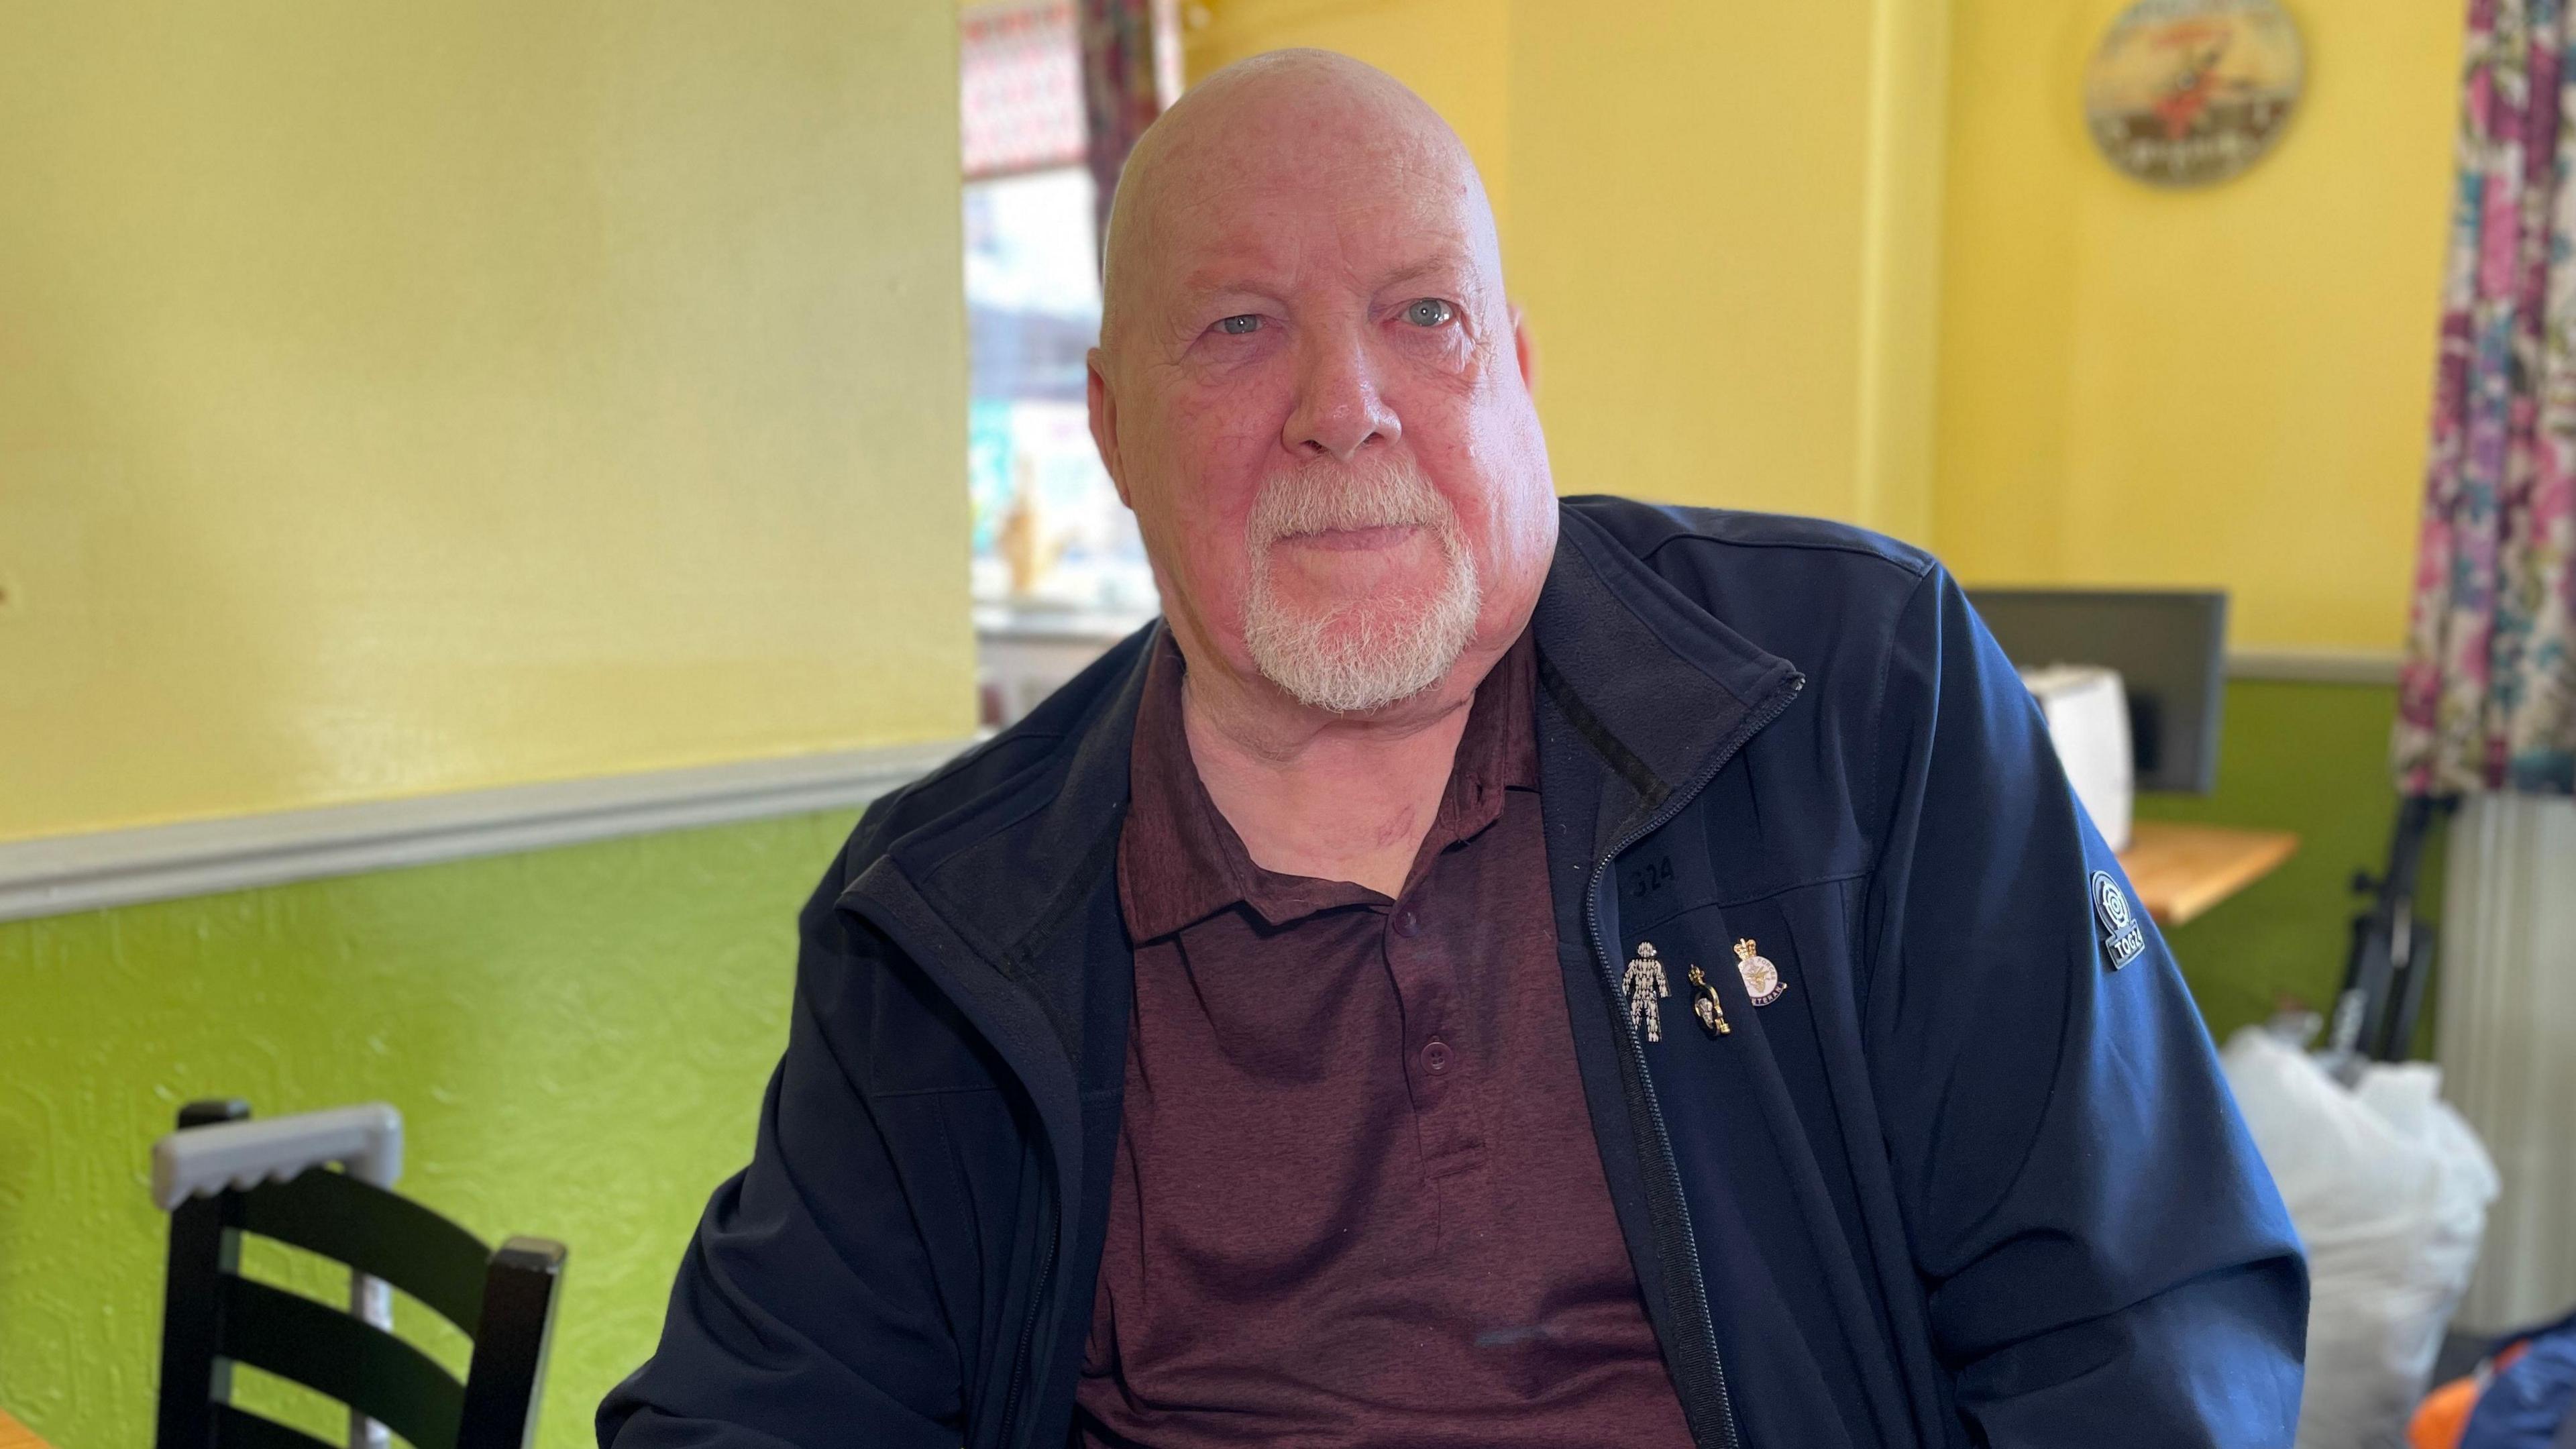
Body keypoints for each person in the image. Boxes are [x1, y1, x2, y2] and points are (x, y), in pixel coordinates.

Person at [600, 50, 2306, 1449]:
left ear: (1522, 379)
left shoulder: (1867, 697)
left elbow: (2139, 1331)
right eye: (1239, 327)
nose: (1347, 405)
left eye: (1425, 316)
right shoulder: (941, 921)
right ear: (1112, 429)